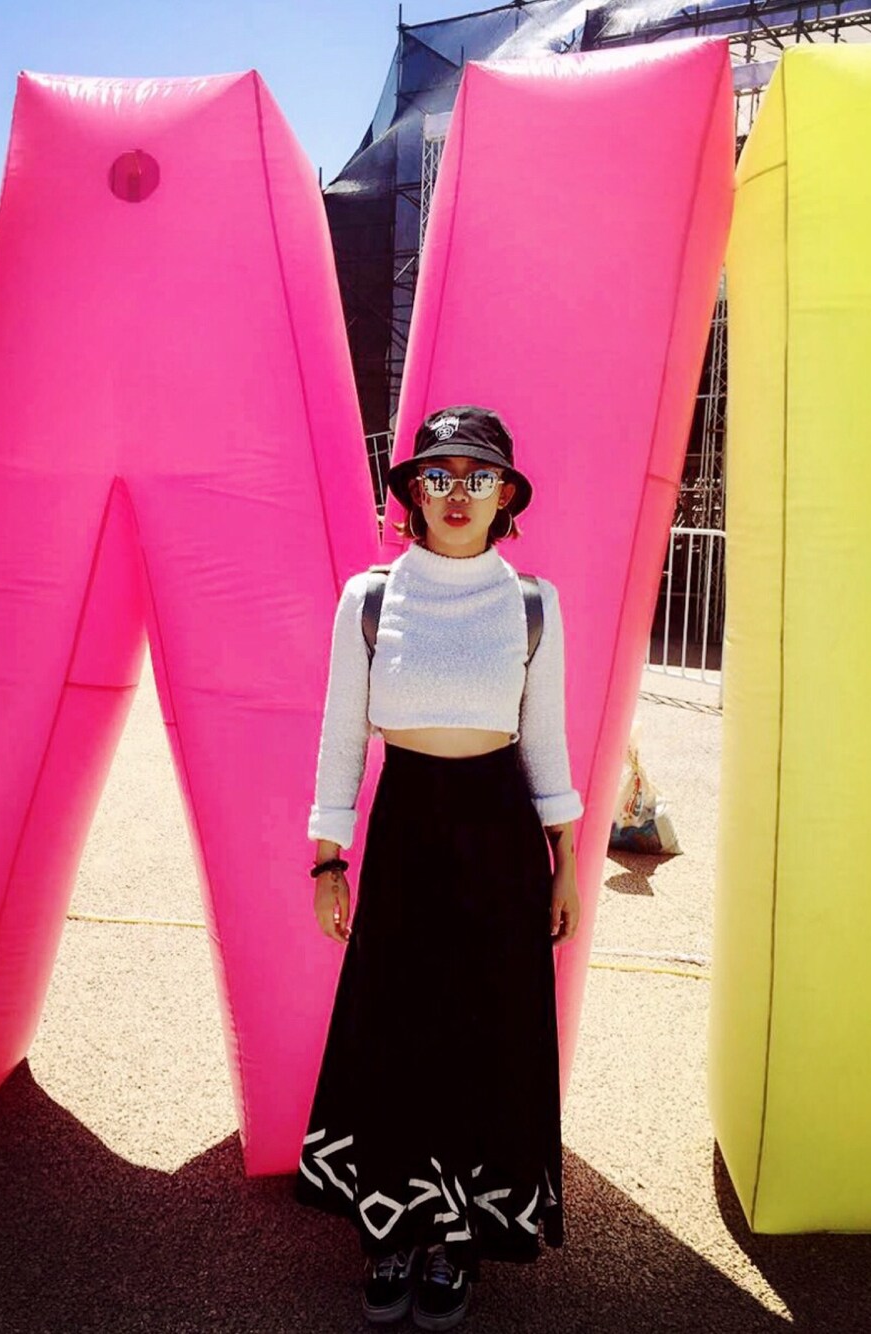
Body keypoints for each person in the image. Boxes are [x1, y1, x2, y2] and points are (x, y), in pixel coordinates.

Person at [293, 404, 583, 1331]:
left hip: (500, 841)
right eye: (439, 476)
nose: (459, 494)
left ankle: (458, 1242)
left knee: (484, 1032)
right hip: (406, 833)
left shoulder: (533, 606)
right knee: (395, 1027)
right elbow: (343, 737)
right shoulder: (370, 600)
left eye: (479, 477)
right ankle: (391, 1230)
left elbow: (545, 745)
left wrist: (566, 862)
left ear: (507, 498)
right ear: (412, 494)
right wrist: (328, 863)